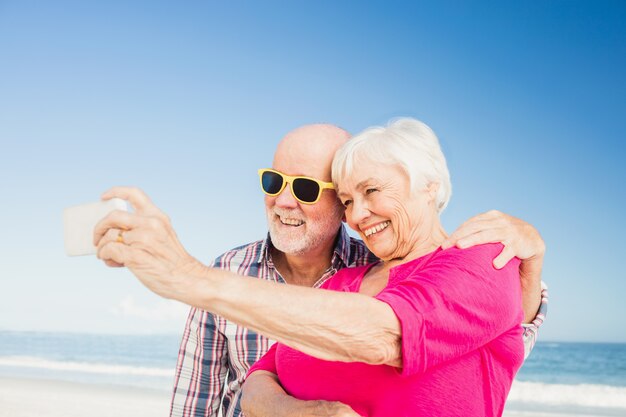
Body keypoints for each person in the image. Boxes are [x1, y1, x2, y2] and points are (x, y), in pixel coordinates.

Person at [93, 121, 547, 417]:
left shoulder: (483, 258)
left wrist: (187, 278)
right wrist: (305, 413)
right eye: (350, 200)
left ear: (430, 186)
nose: (360, 213)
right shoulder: (345, 282)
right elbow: (257, 379)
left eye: (372, 191)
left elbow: (385, 335)